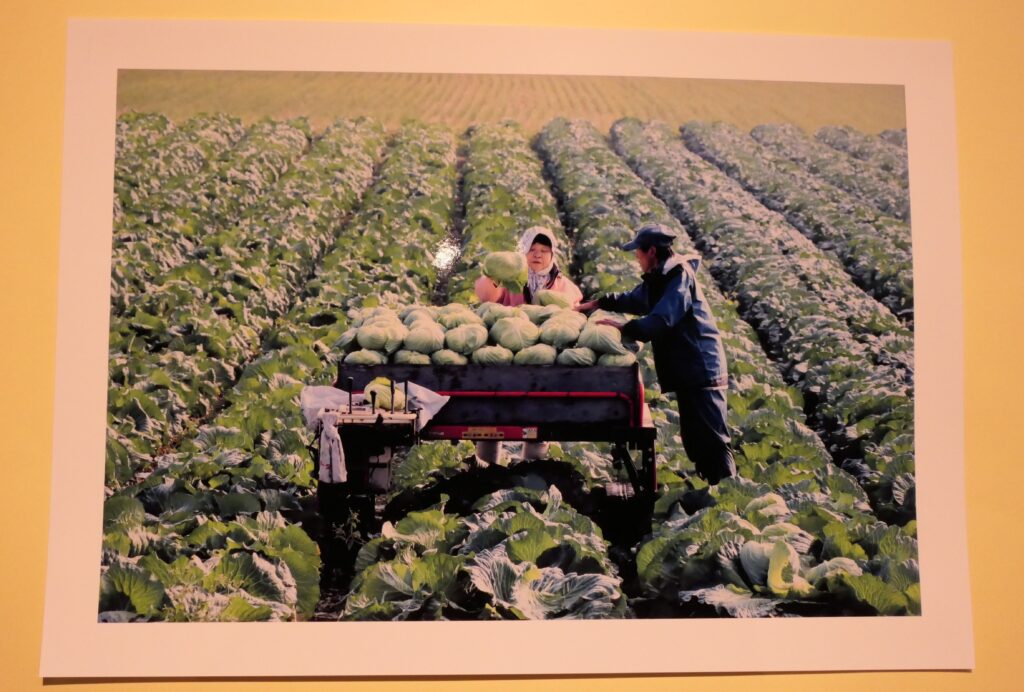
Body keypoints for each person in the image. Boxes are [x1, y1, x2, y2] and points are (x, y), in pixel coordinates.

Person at [576, 223, 736, 485]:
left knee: (713, 441)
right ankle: (713, 489)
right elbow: (634, 299)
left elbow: (660, 320)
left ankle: (729, 492)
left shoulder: (679, 278)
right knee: (695, 439)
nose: (636, 257)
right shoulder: (660, 276)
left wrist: (624, 327)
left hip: (703, 369)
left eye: (637, 252)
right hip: (689, 371)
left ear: (651, 251)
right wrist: (597, 303)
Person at [472, 226, 583, 466]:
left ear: (553, 255)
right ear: (523, 251)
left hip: (543, 363)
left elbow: (573, 316)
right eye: (532, 249)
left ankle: (532, 473)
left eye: (544, 250)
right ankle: (484, 472)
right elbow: (485, 297)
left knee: (539, 422)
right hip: (506, 360)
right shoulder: (509, 280)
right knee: (492, 421)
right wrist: (496, 273)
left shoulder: (565, 287)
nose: (538, 255)